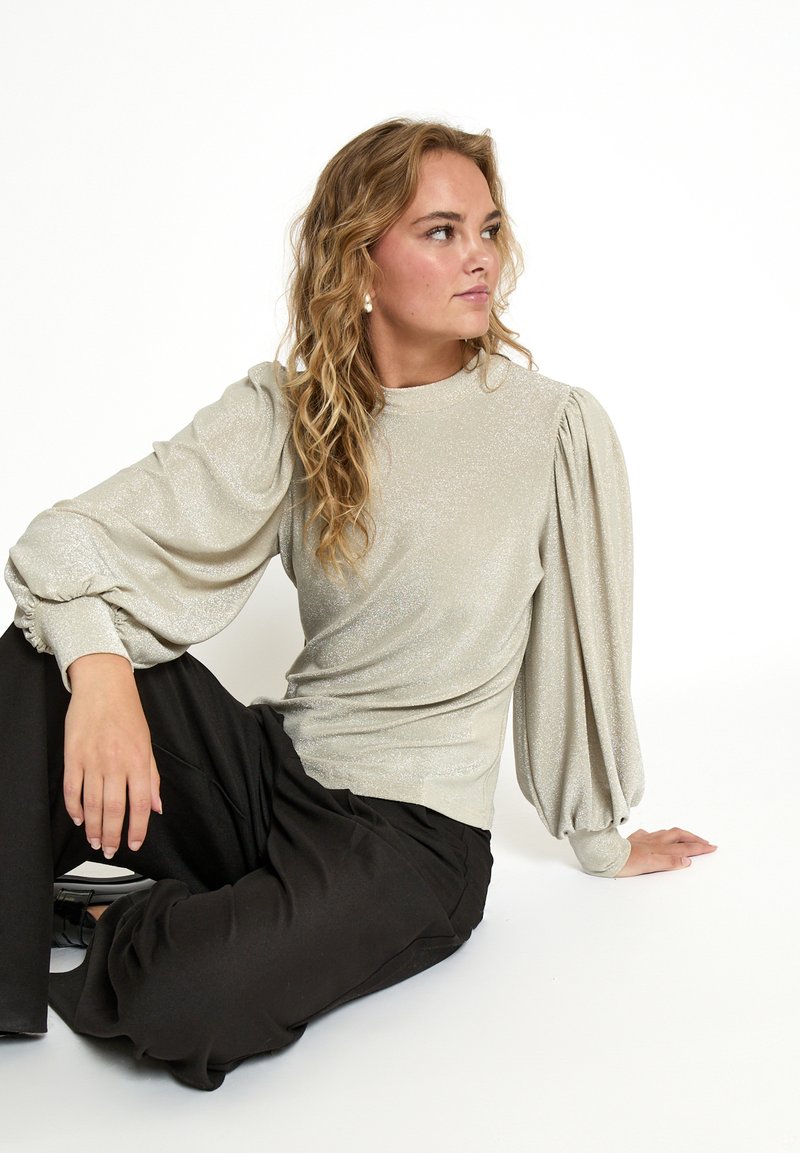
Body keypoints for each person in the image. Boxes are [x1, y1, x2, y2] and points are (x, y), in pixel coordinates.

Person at [0, 117, 717, 1089]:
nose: (480, 256)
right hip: (274, 778)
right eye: (441, 231)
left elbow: (577, 651)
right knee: (34, 659)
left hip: (408, 840)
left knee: (192, 1005)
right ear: (360, 260)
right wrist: (100, 670)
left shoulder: (549, 429)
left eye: (488, 228)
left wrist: (601, 840)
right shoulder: (291, 414)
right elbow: (62, 542)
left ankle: (113, 915)